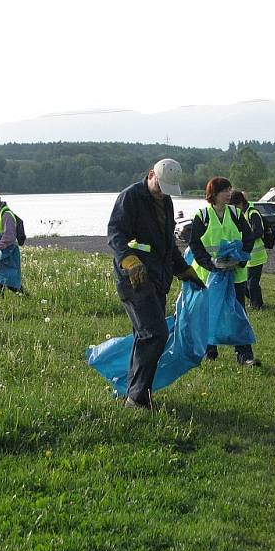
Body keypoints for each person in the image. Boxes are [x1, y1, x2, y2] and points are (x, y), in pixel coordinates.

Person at [107, 158, 206, 410]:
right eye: (160, 186)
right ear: (151, 174)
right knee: (155, 334)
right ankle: (137, 397)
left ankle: (135, 393)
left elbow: (166, 244)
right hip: (134, 278)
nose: (163, 193)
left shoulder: (167, 202)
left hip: (158, 278)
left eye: (168, 190)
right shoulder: (130, 197)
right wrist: (128, 260)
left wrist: (184, 270)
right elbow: (115, 233)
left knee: (145, 336)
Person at [190, 177, 260, 367]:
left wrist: (240, 259)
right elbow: (194, 244)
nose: (229, 194)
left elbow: (249, 237)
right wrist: (210, 263)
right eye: (224, 191)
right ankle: (209, 350)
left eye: (230, 190)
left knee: (238, 312)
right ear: (213, 194)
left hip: (234, 273)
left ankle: (244, 355)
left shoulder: (236, 213)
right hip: (209, 275)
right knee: (208, 312)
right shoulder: (202, 216)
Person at [231, 190, 267, 311]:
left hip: (257, 255)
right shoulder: (244, 213)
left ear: (240, 203)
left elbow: (259, 231)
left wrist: (245, 239)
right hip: (248, 255)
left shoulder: (253, 213)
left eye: (235, 206)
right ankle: (255, 301)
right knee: (248, 282)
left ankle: (257, 304)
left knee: (252, 283)